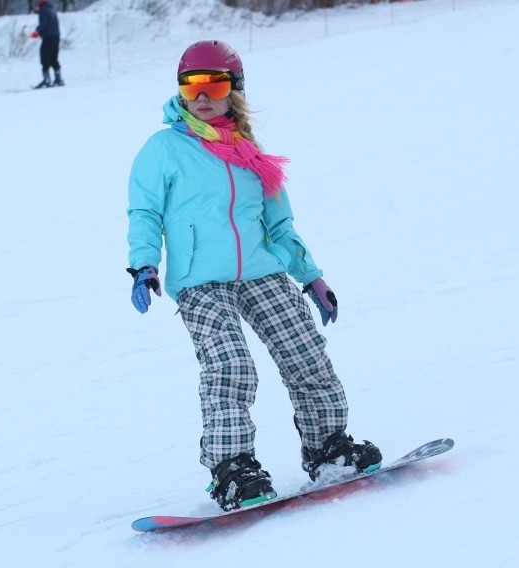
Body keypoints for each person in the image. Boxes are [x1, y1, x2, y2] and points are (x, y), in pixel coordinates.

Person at [126, 40, 382, 511]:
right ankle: (232, 469)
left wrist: (312, 277)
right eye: (192, 84)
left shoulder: (249, 153)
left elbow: (280, 225)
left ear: (234, 90)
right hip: (201, 281)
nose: (202, 95)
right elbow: (144, 212)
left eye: (215, 83)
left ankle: (328, 447)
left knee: (305, 353)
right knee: (229, 366)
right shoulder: (163, 149)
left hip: (262, 272)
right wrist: (144, 264)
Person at [30, 0, 64, 88]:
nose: (35, 8)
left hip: (48, 38)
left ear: (39, 4)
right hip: (56, 36)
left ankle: (47, 80)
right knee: (53, 58)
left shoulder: (43, 11)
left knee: (44, 58)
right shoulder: (51, 8)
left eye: (35, 5)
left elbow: (44, 24)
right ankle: (58, 79)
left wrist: (37, 32)